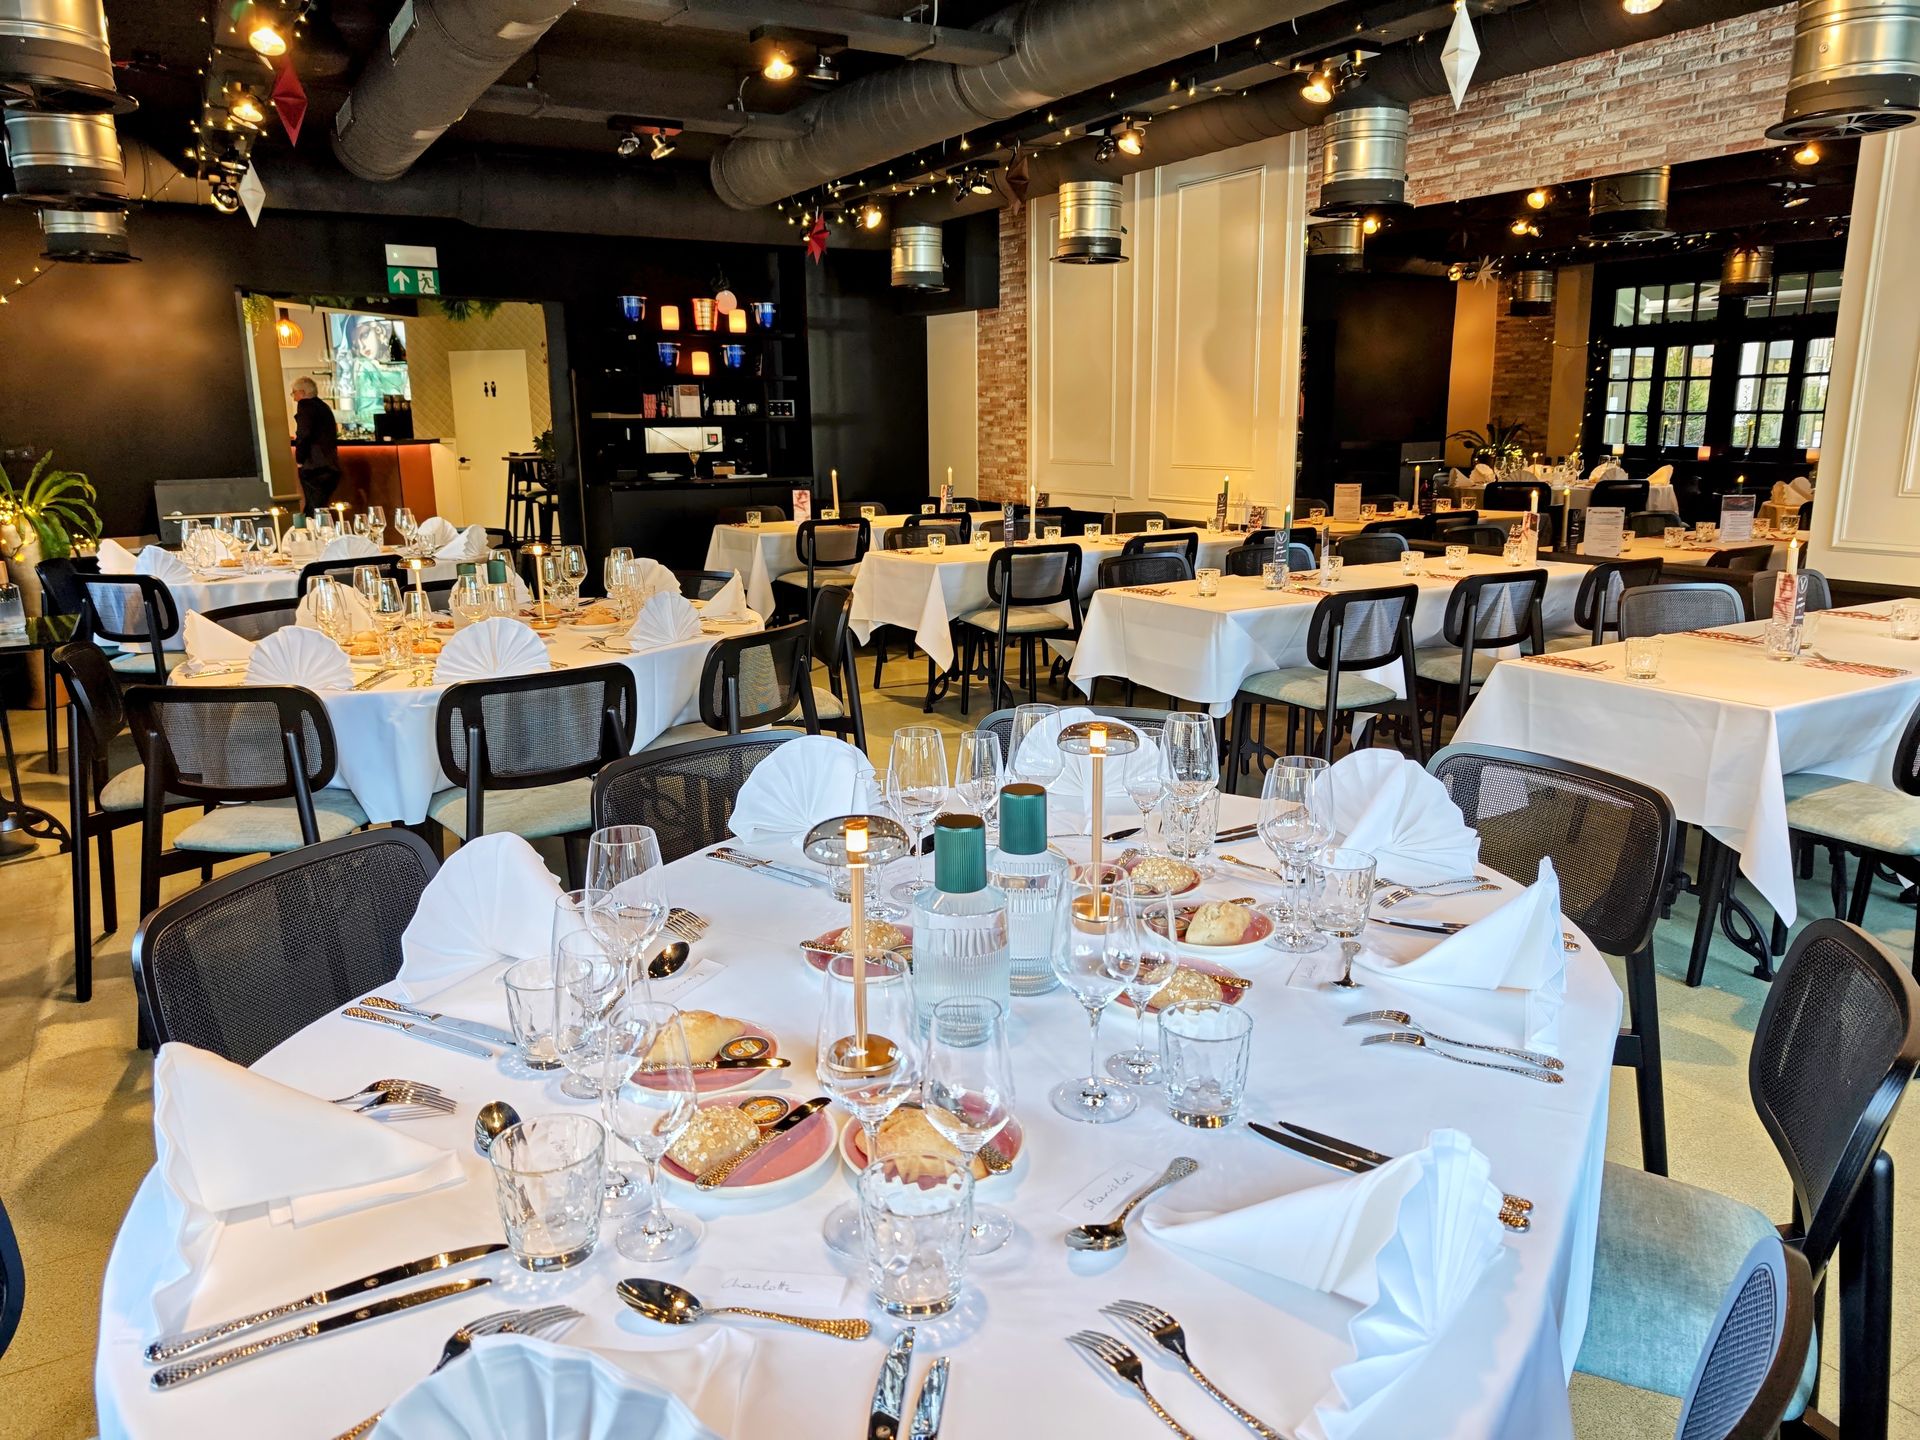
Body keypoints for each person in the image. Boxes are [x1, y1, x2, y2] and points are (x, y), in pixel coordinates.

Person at [290, 377, 341, 512]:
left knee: (314, 511)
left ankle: (316, 532)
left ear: (302, 392)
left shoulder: (305, 406)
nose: (294, 398)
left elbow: (304, 435)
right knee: (318, 509)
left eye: (294, 393)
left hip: (314, 467)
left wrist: (299, 459)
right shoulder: (324, 407)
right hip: (330, 467)